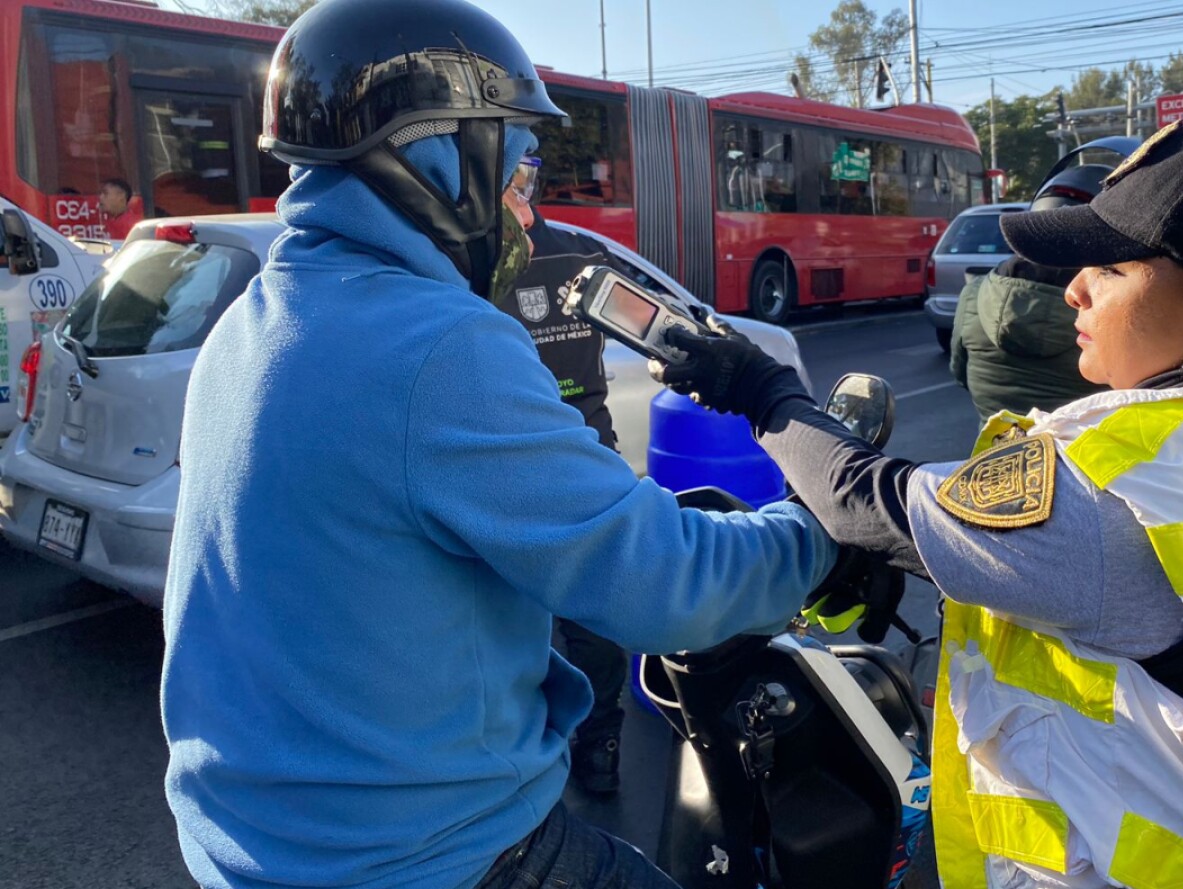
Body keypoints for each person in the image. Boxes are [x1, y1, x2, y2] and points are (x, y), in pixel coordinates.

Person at [159, 2, 839, 888]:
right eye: (519, 176)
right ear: (442, 155)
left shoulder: (249, 321)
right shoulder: (438, 343)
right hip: (415, 856)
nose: (526, 215)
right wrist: (822, 532)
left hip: (246, 838)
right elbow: (660, 581)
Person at [653, 121, 1183, 886]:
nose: (1073, 289)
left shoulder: (1124, 481)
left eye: (1110, 268)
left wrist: (759, 387)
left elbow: (862, 500)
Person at [491, 162, 630, 795]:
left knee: (504, 609)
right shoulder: (586, 253)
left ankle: (519, 756)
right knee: (593, 608)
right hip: (588, 448)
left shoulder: (471, 265)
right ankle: (601, 744)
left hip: (507, 458)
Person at [950, 164, 1109, 421]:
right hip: (1087, 456)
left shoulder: (974, 293)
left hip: (995, 455)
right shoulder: (1111, 305)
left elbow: (960, 373)